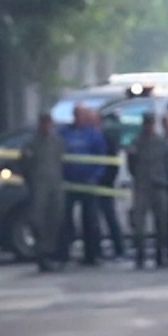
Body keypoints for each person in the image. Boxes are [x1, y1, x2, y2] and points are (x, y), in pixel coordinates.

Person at [63, 102, 120, 266]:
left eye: (81, 115)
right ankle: (65, 252)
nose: (79, 118)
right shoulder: (65, 133)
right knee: (66, 220)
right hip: (70, 183)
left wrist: (96, 176)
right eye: (77, 114)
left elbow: (102, 158)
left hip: (89, 182)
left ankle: (92, 254)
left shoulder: (94, 135)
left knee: (90, 220)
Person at [126, 104, 168, 269]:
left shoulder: (161, 142)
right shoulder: (136, 143)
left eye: (151, 122)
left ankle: (161, 254)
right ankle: (140, 255)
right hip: (142, 186)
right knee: (139, 223)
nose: (149, 125)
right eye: (146, 122)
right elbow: (131, 165)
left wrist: (161, 177)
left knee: (162, 222)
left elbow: (167, 162)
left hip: (159, 185)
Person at [19, 111, 66, 269]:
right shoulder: (31, 143)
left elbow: (61, 160)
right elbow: (24, 165)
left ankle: (49, 252)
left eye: (49, 123)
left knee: (55, 218)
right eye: (44, 123)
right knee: (38, 220)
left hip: (55, 185)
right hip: (38, 186)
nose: (47, 126)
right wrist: (30, 181)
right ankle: (41, 252)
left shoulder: (57, 141)